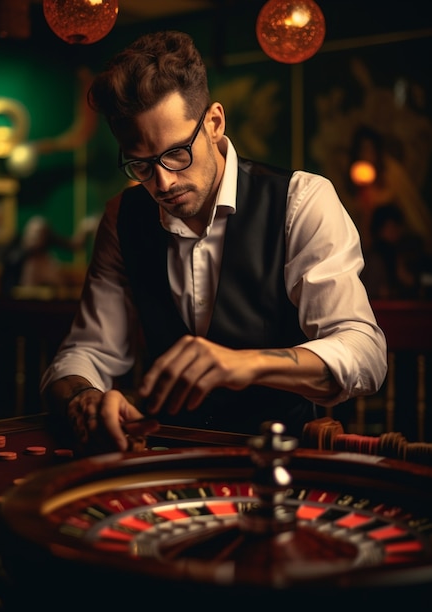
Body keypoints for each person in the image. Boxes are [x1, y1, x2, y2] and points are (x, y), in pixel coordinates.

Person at [40, 31, 387, 454]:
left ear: (214, 123)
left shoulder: (302, 200)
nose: (163, 182)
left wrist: (246, 364)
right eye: (141, 165)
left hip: (283, 461)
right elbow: (87, 351)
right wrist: (84, 400)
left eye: (176, 153)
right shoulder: (122, 216)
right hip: (166, 456)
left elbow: (365, 354)